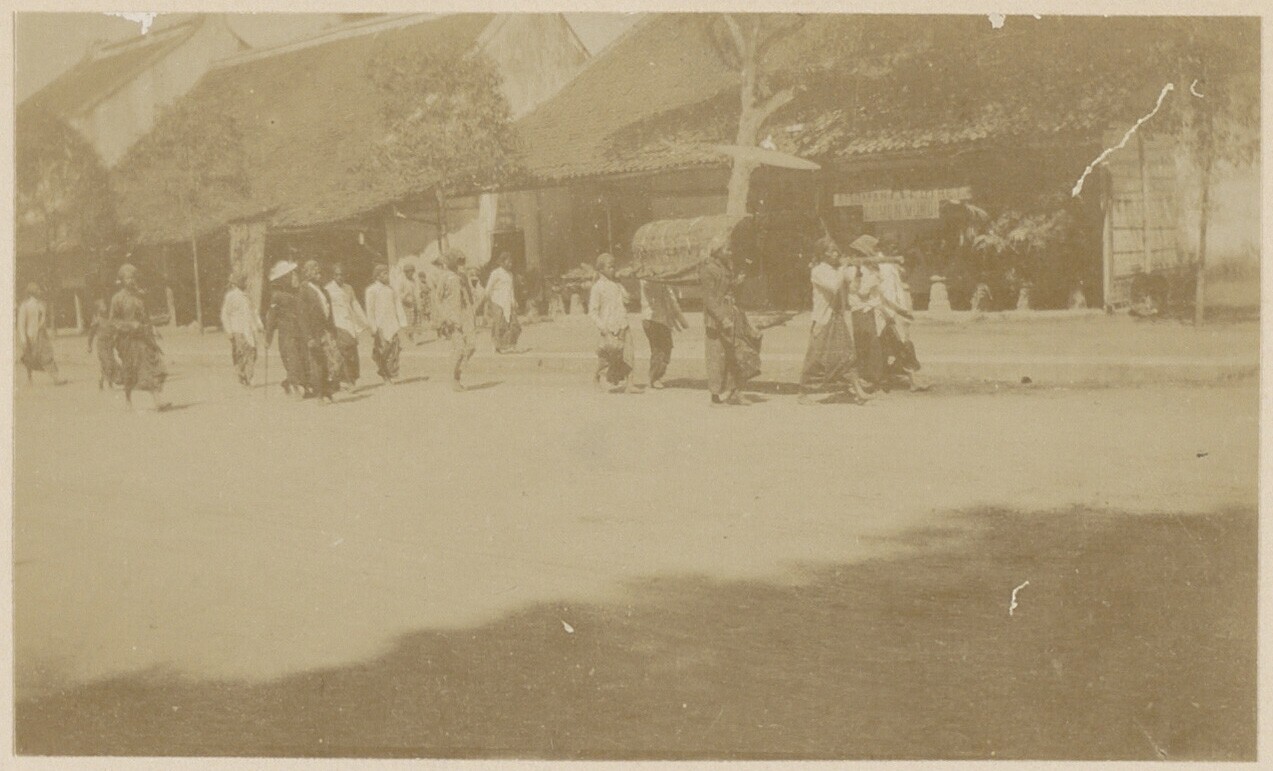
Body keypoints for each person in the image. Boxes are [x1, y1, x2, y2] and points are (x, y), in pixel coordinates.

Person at [798, 239, 870, 405]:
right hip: (823, 319)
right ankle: (804, 392)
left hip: (837, 318)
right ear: (824, 254)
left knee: (848, 355)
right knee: (816, 358)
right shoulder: (818, 271)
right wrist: (844, 268)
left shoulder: (836, 270)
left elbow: (853, 288)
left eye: (837, 251)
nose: (837, 254)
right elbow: (834, 286)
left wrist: (858, 270)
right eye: (833, 251)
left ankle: (858, 391)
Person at [700, 237, 759, 405]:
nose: (730, 253)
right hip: (716, 320)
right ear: (717, 252)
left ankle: (735, 392)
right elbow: (709, 299)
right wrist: (722, 318)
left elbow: (727, 289)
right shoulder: (708, 270)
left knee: (736, 354)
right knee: (717, 357)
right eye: (727, 250)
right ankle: (715, 396)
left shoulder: (726, 267)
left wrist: (736, 282)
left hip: (732, 315)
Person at [109, 264, 169, 410]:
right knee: (130, 370)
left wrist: (153, 328)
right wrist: (130, 325)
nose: (131, 280)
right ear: (122, 280)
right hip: (127, 340)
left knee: (152, 365)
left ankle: (157, 401)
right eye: (127, 278)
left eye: (133, 277)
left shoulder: (140, 296)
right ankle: (128, 400)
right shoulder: (117, 299)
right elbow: (113, 320)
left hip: (143, 337)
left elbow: (145, 316)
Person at [877, 258, 929, 392]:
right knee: (901, 346)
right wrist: (899, 312)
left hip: (893, 313)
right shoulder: (885, 269)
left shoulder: (892, 269)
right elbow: (885, 297)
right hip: (887, 314)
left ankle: (908, 379)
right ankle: (911, 380)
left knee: (899, 346)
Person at [298, 260, 343, 402]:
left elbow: (329, 312)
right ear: (308, 273)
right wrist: (309, 337)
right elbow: (302, 316)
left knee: (335, 360)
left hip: (327, 331)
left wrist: (334, 331)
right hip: (314, 332)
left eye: (319, 270)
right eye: (314, 270)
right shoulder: (304, 290)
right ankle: (320, 394)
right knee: (318, 363)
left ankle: (328, 390)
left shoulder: (323, 290)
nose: (318, 272)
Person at [589, 253, 634, 393]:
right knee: (608, 357)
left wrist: (625, 291)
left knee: (628, 354)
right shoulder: (598, 287)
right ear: (601, 269)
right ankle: (599, 376)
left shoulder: (617, 285)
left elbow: (627, 300)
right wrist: (603, 328)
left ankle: (630, 383)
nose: (613, 269)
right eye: (610, 267)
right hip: (609, 326)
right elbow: (593, 311)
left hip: (623, 324)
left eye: (614, 266)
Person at [434, 249, 479, 391]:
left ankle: (458, 372)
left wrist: (473, 313)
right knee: (459, 349)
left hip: (466, 316)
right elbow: (437, 299)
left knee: (471, 346)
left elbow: (469, 296)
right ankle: (455, 379)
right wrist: (445, 317)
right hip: (452, 318)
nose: (459, 264)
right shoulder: (444, 277)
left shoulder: (463, 276)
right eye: (457, 260)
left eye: (461, 261)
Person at [264, 260, 308, 396]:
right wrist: (268, 338)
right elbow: (271, 318)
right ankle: (295, 385)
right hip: (286, 334)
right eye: (291, 275)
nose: (295, 277)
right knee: (292, 359)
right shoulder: (277, 296)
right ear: (284, 278)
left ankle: (291, 383)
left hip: (300, 331)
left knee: (302, 357)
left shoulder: (297, 293)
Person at [847, 235, 885, 390]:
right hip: (860, 308)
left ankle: (871, 377)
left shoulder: (869, 269)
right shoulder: (857, 269)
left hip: (867, 308)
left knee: (869, 343)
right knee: (864, 343)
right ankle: (867, 375)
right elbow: (858, 290)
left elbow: (864, 292)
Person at [325, 262, 369, 389]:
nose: (340, 277)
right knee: (345, 352)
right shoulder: (328, 289)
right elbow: (326, 309)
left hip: (350, 324)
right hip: (337, 324)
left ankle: (351, 380)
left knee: (352, 352)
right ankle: (347, 381)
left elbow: (355, 304)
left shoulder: (348, 288)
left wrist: (365, 321)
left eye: (342, 275)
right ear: (333, 276)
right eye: (337, 275)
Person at [639, 279, 688, 389]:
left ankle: (657, 376)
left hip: (663, 320)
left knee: (666, 348)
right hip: (651, 319)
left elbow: (672, 300)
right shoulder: (647, 280)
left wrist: (681, 319)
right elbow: (654, 292)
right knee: (658, 349)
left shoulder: (665, 282)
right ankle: (654, 378)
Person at [364, 263, 408, 384]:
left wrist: (402, 323)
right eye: (384, 274)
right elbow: (370, 310)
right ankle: (384, 374)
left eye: (387, 273)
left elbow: (398, 306)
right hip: (380, 326)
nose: (387, 276)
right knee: (383, 351)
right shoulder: (371, 290)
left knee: (394, 351)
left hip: (392, 325)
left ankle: (389, 373)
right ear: (377, 276)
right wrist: (373, 327)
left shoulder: (391, 290)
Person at [220, 272, 263, 387]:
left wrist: (259, 324)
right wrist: (229, 331)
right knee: (242, 354)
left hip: (250, 329)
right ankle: (244, 375)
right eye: (245, 282)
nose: (247, 284)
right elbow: (225, 314)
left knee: (252, 353)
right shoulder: (231, 296)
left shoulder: (247, 296)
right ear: (239, 283)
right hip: (238, 330)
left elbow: (254, 311)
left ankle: (248, 375)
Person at [16, 282, 65, 385]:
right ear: (32, 292)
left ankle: (56, 378)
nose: (40, 292)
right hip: (30, 335)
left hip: (41, 335)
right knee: (30, 357)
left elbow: (43, 320)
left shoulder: (41, 304)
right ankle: (29, 378)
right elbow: (21, 324)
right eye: (37, 290)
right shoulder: (25, 305)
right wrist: (23, 339)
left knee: (47, 354)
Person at [485, 251, 524, 353]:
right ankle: (497, 346)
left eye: (511, 262)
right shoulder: (496, 273)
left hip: (508, 302)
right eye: (508, 262)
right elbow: (488, 289)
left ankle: (511, 345)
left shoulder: (510, 274)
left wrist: (514, 300)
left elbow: (511, 289)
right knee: (499, 325)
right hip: (497, 301)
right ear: (502, 262)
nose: (510, 264)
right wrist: (489, 303)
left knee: (515, 325)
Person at [86, 298, 118, 389]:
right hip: (101, 345)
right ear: (98, 309)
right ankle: (104, 380)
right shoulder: (97, 320)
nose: (105, 308)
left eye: (105, 306)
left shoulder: (110, 319)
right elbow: (91, 334)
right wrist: (89, 346)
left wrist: (115, 337)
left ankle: (107, 381)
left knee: (111, 362)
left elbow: (114, 330)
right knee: (107, 363)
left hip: (110, 344)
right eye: (102, 306)